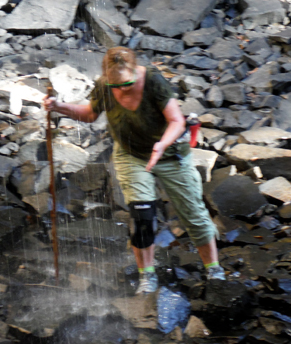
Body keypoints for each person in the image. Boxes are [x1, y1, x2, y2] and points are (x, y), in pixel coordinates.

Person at [44, 47, 225, 294]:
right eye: (116, 85)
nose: (122, 89)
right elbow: (89, 114)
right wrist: (58, 107)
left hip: (170, 154)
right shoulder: (105, 85)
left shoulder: (152, 81)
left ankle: (213, 267)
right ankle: (146, 276)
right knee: (141, 216)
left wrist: (161, 145)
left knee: (193, 214)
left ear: (135, 71)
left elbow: (176, 120)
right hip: (131, 155)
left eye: (127, 83)